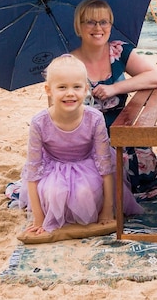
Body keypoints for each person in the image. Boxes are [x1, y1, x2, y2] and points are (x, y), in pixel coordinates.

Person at [19, 54, 143, 237]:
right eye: (62, 87)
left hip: (88, 164)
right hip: (54, 168)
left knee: (86, 193)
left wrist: (107, 210)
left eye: (76, 87)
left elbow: (105, 165)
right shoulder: (39, 122)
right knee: (55, 193)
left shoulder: (94, 118)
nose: (70, 93)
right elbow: (33, 169)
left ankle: (92, 207)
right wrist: (38, 218)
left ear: (86, 89)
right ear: (48, 90)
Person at [70, 0, 157, 199]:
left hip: (122, 130)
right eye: (90, 22)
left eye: (104, 22)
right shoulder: (68, 63)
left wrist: (114, 88)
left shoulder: (118, 51)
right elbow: (56, 113)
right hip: (86, 135)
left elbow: (154, 77)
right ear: (79, 26)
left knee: (140, 161)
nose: (98, 28)